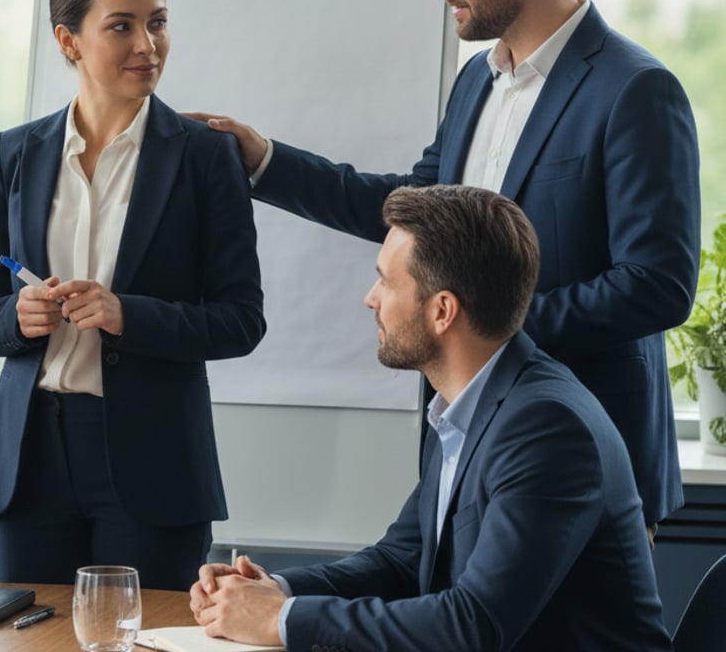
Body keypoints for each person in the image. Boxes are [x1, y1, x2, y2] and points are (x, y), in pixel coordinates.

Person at [194, 0, 698, 530]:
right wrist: (266, 163)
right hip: (467, 447)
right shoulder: (476, 81)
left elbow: (656, 286)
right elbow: (413, 208)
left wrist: (482, 328)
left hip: (589, 455)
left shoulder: (635, 89)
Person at [191, 184, 672, 651]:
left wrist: (279, 620)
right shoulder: (465, 404)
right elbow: (403, 558)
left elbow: (475, 624)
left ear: (443, 310)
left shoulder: (546, 429)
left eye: (385, 281)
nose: (371, 298)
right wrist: (274, 590)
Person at [0, 0, 265, 591]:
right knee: (29, 634)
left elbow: (241, 320)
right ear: (68, 41)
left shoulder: (206, 158)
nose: (147, 44)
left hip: (155, 459)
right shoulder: (15, 153)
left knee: (146, 634)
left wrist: (128, 314)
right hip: (29, 456)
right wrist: (16, 316)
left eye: (158, 23)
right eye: (121, 26)